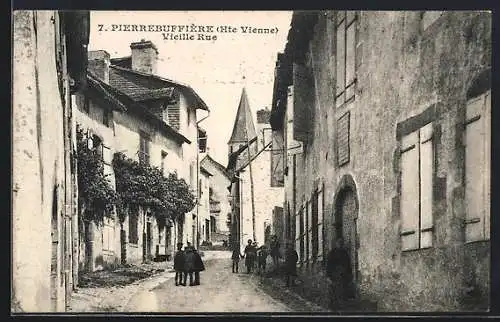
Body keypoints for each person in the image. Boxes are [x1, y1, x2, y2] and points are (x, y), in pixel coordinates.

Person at [326, 237, 353, 309]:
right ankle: (333, 308)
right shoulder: (332, 253)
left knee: (342, 292)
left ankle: (341, 308)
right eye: (339, 243)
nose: (340, 244)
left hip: (343, 276)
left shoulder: (345, 253)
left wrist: (350, 275)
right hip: (334, 275)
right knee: (333, 292)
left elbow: (348, 264)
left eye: (341, 243)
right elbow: (328, 265)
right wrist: (328, 276)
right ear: (336, 244)